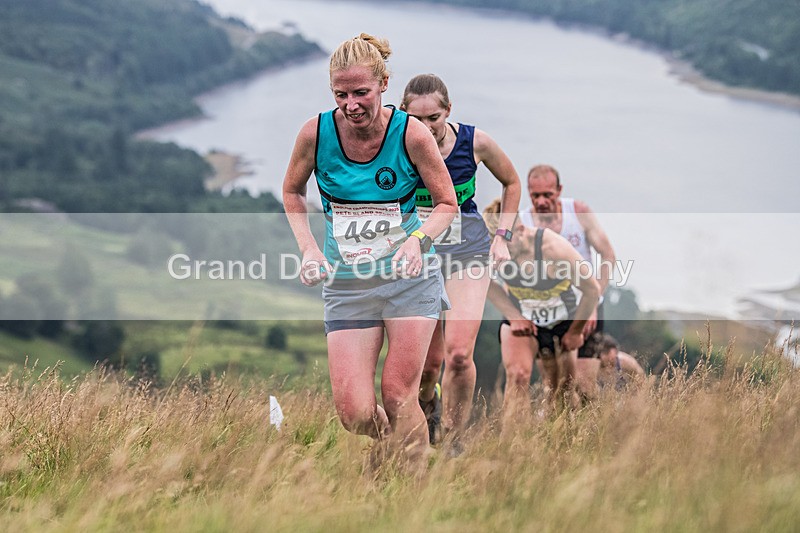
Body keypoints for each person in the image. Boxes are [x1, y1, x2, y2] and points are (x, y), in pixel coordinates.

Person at [282, 34, 458, 467]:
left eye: (361, 92)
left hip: (409, 280)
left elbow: (446, 203)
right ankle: (395, 447)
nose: (351, 104)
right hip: (347, 284)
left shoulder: (412, 135)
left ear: (383, 83)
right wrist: (308, 249)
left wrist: (419, 242)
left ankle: (416, 489)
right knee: (354, 414)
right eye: (340, 94)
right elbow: (291, 191)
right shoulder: (315, 133)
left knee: (399, 396)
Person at [400, 74, 521, 448]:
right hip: (417, 257)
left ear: (448, 111)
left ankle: (452, 439)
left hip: (468, 253)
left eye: (433, 118)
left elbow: (512, 183)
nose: (426, 127)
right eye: (416, 119)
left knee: (457, 355)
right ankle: (426, 409)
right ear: (403, 114)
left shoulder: (475, 143)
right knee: (427, 366)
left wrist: (502, 237)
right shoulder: (395, 143)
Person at [483, 200, 600, 420]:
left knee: (563, 389)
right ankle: (511, 450)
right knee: (517, 376)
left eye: (505, 243)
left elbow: (591, 290)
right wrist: (514, 316)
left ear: (519, 229)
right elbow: (484, 283)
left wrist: (575, 332)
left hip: (563, 320)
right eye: (494, 244)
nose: (500, 252)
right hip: (523, 316)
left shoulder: (553, 248)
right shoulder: (491, 246)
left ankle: (560, 443)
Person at [520, 164, 616, 399]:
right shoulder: (523, 222)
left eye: (548, 195)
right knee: (556, 389)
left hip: (584, 304)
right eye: (535, 196)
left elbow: (608, 256)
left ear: (559, 190)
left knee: (584, 387)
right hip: (547, 309)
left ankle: (592, 434)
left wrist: (594, 302)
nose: (541, 201)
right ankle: (561, 434)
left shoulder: (578, 212)